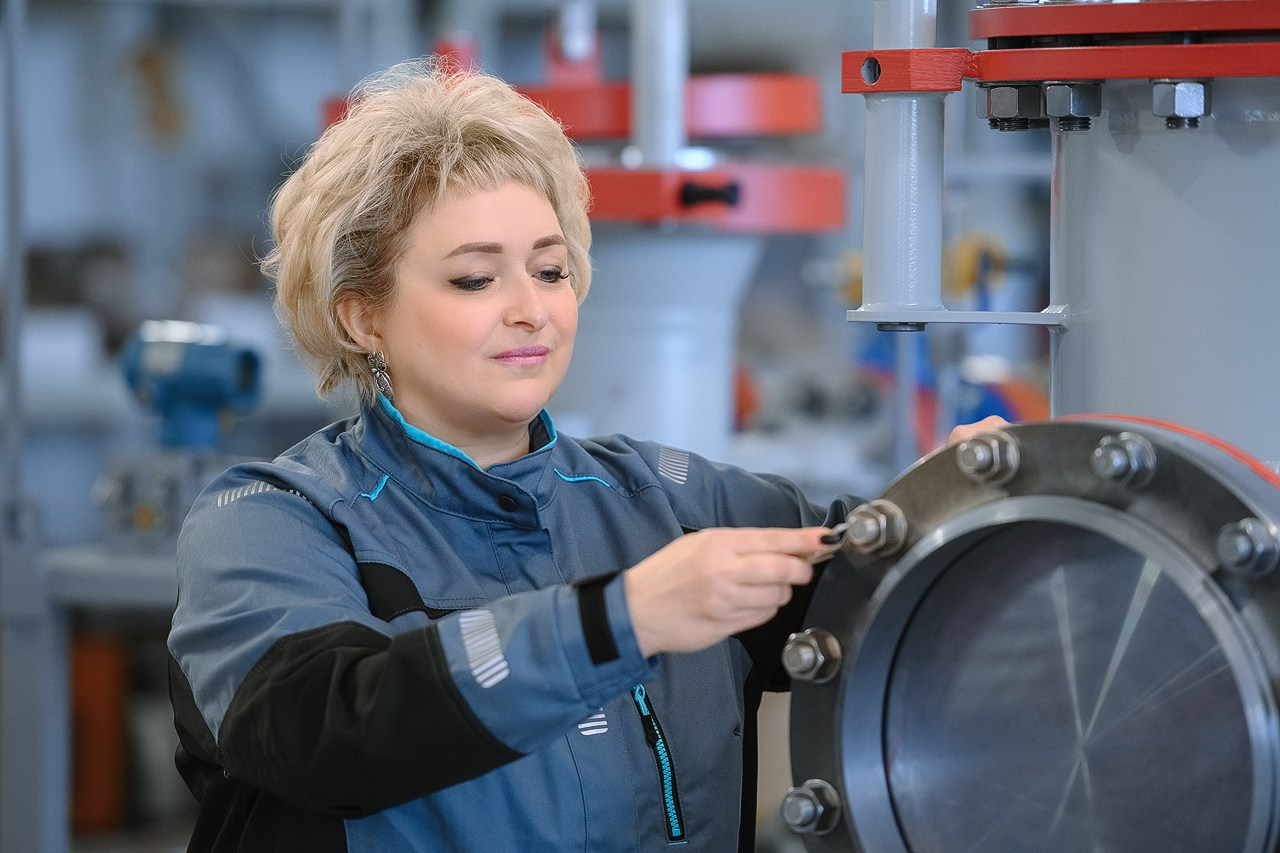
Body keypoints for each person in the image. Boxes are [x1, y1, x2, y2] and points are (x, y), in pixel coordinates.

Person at [167, 58, 1003, 852]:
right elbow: (326, 727)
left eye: (551, 269)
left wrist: (966, 513)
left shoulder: (672, 500)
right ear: (362, 318)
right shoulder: (274, 521)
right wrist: (625, 616)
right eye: (474, 280)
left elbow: (897, 594)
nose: (531, 310)